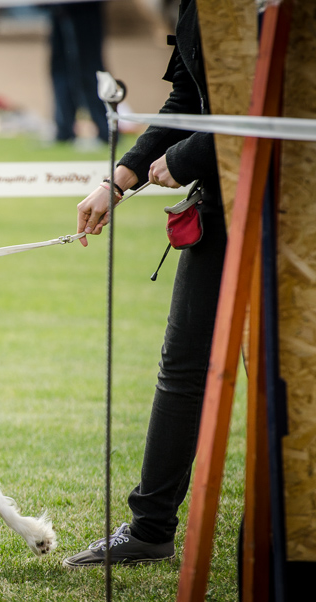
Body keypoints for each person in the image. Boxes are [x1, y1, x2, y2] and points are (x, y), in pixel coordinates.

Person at [64, 0, 226, 567]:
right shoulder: (190, 6)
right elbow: (190, 100)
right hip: (221, 203)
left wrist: (187, 156)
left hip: (290, 203)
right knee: (183, 367)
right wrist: (121, 177)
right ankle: (150, 529)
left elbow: (273, 107)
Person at [46, 1, 110, 149]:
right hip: (58, 7)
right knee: (60, 67)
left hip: (84, 7)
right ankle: (64, 131)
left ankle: (105, 132)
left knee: (88, 66)